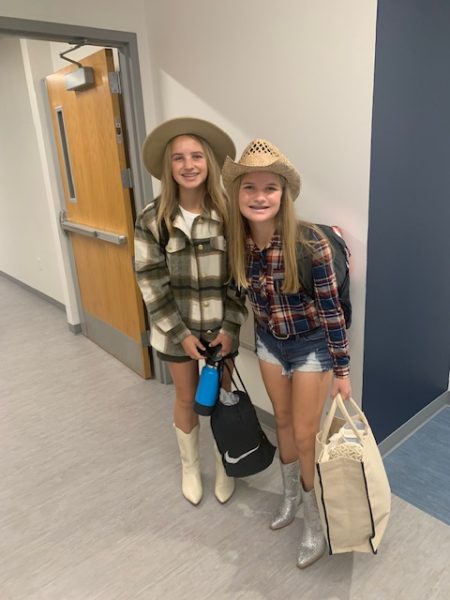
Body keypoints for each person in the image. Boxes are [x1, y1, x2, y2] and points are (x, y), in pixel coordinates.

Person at [222, 138, 352, 568]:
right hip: (269, 343)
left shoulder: (309, 241)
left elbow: (332, 311)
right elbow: (241, 300)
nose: (259, 197)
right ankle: (291, 499)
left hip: (312, 345)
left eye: (270, 188)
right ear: (237, 193)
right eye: (250, 188)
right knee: (280, 422)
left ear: (284, 194)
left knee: (303, 434)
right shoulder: (238, 243)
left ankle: (314, 522)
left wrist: (342, 370)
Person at [134, 117, 247, 506]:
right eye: (179, 158)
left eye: (196, 156)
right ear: (169, 166)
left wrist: (231, 327)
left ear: (209, 162)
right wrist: (181, 334)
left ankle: (224, 463)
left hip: (221, 333)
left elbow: (240, 279)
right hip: (174, 332)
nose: (188, 165)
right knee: (186, 398)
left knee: (222, 395)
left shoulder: (230, 214)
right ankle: (190, 467)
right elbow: (150, 281)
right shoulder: (153, 218)